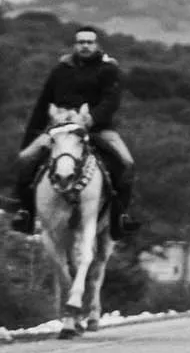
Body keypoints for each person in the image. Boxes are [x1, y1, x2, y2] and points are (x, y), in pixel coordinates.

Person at [11, 26, 140, 240]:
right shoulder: (61, 70)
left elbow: (111, 101)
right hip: (60, 128)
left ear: (97, 45)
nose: (85, 46)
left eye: (89, 42)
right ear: (75, 45)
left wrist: (92, 118)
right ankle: (25, 211)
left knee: (126, 163)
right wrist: (32, 135)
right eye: (81, 42)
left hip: (98, 128)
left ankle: (121, 216)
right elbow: (43, 102)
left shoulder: (108, 70)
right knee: (25, 159)